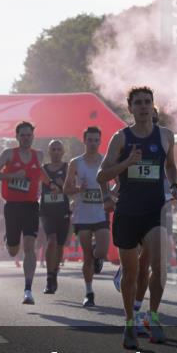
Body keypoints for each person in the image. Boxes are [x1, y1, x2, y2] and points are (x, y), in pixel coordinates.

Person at [98, 87, 177, 350]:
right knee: (132, 272)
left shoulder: (166, 136)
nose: (144, 106)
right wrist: (128, 163)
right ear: (130, 108)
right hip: (127, 212)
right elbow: (102, 175)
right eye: (138, 103)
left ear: (152, 106)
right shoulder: (121, 138)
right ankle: (129, 321)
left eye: (148, 102)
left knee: (159, 265)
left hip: (154, 211)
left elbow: (169, 165)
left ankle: (153, 316)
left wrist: (176, 182)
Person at [0, 121, 53, 305]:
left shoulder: (38, 155)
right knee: (13, 250)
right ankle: (9, 240)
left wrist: (52, 185)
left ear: (33, 136)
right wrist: (12, 176)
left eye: (29, 135)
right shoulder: (9, 154)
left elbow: (39, 173)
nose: (26, 138)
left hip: (31, 206)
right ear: (17, 137)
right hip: (12, 206)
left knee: (29, 246)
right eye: (23, 135)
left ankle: (28, 289)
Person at [64, 126, 112, 307]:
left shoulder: (106, 162)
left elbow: (117, 184)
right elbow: (66, 189)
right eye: (89, 140)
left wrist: (112, 197)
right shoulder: (75, 163)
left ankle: (96, 253)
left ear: (100, 141)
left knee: (101, 251)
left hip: (100, 212)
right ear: (84, 141)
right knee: (87, 257)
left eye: (96, 140)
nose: (92, 143)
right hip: (82, 215)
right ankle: (89, 292)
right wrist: (78, 189)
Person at [40, 139, 71, 294]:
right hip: (47, 211)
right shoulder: (43, 169)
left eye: (59, 149)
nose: (56, 152)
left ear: (63, 152)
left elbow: (73, 189)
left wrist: (63, 184)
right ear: (49, 151)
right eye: (53, 149)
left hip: (63, 211)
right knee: (51, 241)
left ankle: (55, 271)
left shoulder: (68, 167)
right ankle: (49, 277)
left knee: (59, 245)